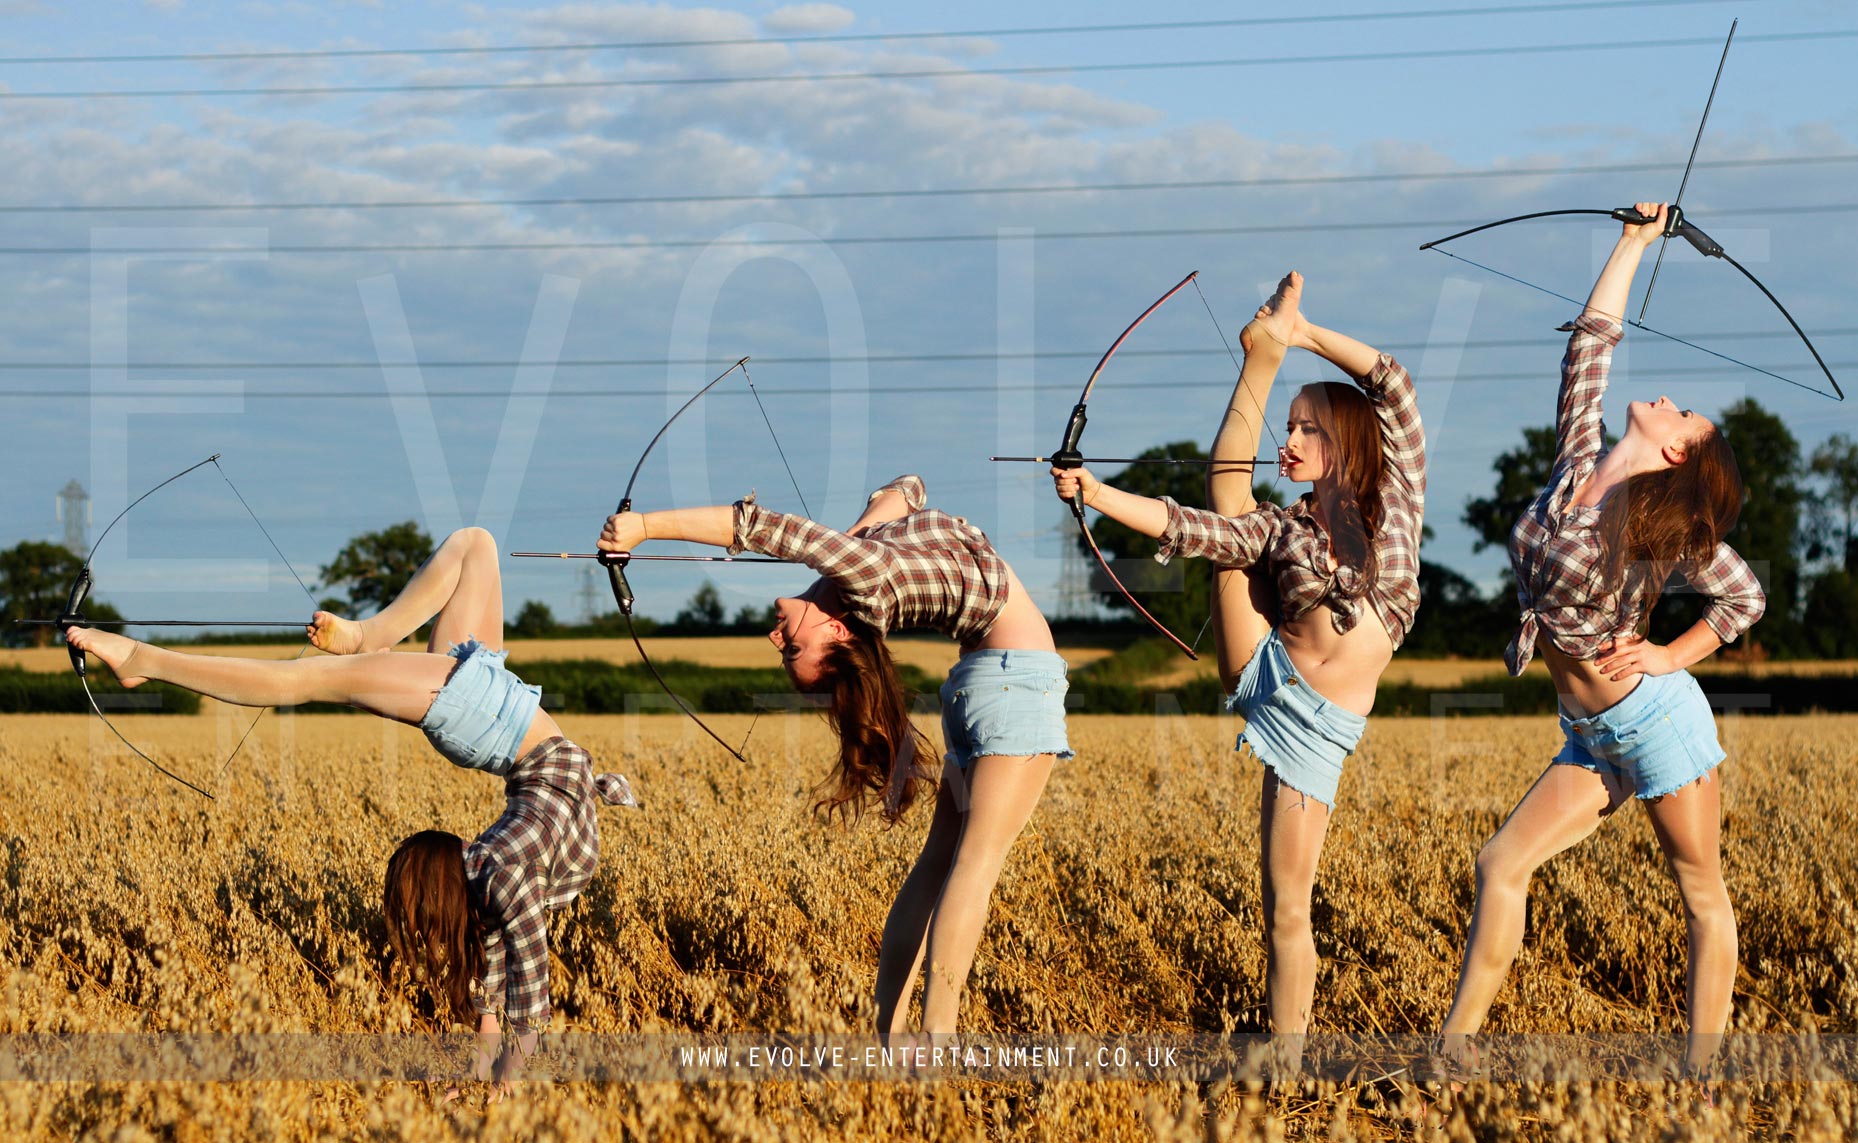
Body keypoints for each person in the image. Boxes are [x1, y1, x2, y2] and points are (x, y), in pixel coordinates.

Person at [63, 527, 638, 1100]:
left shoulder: (496, 883)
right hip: (493, 712)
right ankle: (340, 639)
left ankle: (148, 657)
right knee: (469, 550)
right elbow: (527, 995)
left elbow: (498, 989)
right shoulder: (502, 880)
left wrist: (488, 1084)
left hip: (495, 717)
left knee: (326, 669)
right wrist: (505, 1083)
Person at [1435, 203, 1764, 1089]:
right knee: (1500, 863)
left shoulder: (1657, 531)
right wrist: (1633, 241)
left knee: (1701, 895)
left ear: (1676, 454)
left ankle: (1701, 1079)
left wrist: (1668, 653)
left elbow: (1744, 595)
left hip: (1655, 723)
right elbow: (1589, 347)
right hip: (1587, 731)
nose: (1666, 398)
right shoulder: (1575, 463)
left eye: (1681, 412)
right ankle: (1453, 1052)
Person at [1051, 271, 1426, 1044]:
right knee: (1227, 514)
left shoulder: (1398, 498)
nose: (1288, 443)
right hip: (1268, 674)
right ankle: (1255, 359)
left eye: (1306, 429)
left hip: (1318, 727)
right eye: (1285, 427)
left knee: (1287, 901)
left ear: (1346, 439)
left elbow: (1394, 386)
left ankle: (1282, 1046)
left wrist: (1304, 333)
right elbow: (1182, 523)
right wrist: (1096, 493)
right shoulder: (1280, 529)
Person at [596, 474, 1069, 1037]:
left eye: (785, 652)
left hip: (980, 682)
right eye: (794, 650)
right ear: (839, 633)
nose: (776, 641)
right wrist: (645, 527)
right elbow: (763, 527)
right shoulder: (866, 578)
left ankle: (890, 1040)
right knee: (974, 868)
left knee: (936, 867)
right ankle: (932, 1049)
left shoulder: (853, 569)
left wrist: (891, 496)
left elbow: (902, 491)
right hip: (1018, 682)